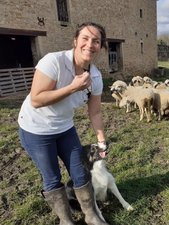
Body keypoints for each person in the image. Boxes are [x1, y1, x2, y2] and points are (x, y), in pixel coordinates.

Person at [18, 22, 109, 225]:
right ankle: (66, 221)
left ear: (100, 47)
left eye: (96, 41)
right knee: (52, 178)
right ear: (75, 41)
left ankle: (91, 215)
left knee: (80, 172)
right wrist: (72, 87)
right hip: (36, 129)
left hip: (64, 128)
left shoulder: (95, 76)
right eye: (85, 38)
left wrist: (101, 140)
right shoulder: (54, 61)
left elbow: (94, 111)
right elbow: (37, 99)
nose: (90, 44)